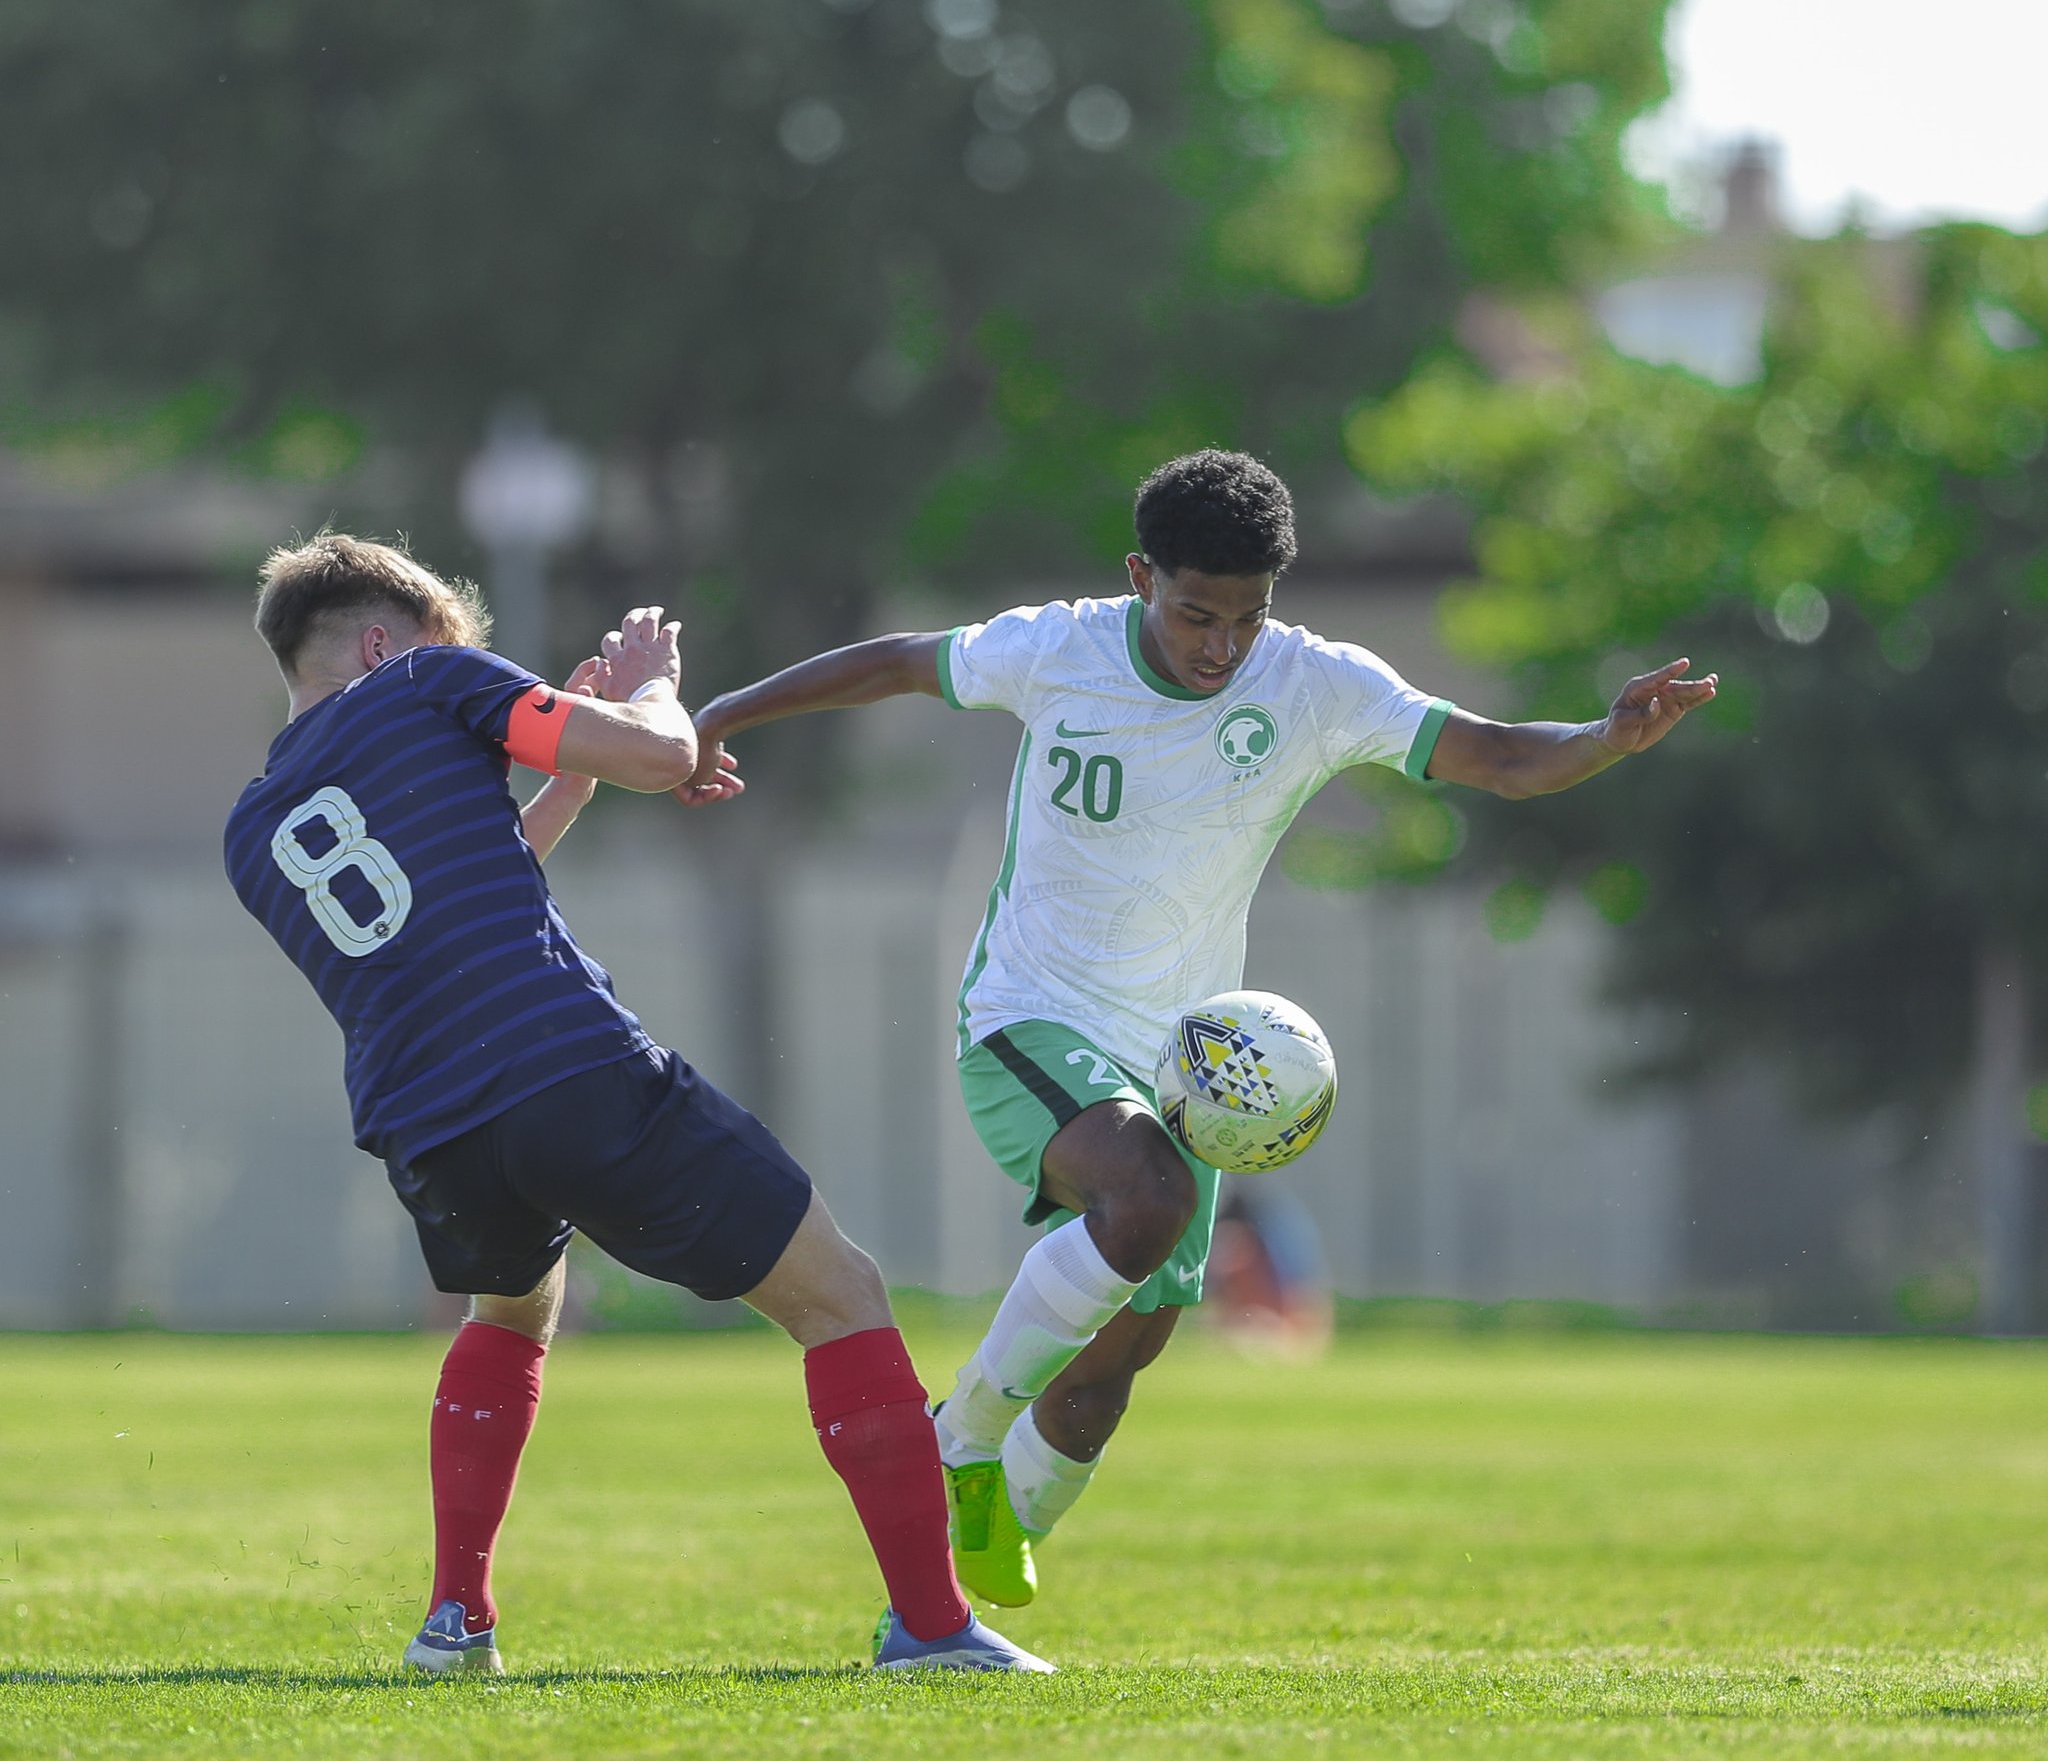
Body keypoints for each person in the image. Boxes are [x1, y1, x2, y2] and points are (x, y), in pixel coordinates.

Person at [676, 448, 1717, 1611]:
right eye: (1193, 613)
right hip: (1027, 1020)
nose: (1219, 644)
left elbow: (1497, 753)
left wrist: (1604, 736)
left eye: (1245, 616)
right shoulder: (1058, 645)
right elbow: (897, 664)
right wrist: (726, 709)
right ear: (1139, 577)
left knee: (1109, 1373)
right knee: (1147, 1198)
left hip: (1181, 1068)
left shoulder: (1314, 684)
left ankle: (947, 1590)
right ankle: (958, 1429)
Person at [223, 533, 1051, 1675]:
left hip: (428, 1121)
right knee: (844, 1293)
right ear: (382, 643)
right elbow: (666, 756)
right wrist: (654, 687)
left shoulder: (253, 821)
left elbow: (470, 874)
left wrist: (574, 758)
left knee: (508, 1314)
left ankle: (455, 1620)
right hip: (563, 1065)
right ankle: (930, 1623)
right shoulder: (431, 677)